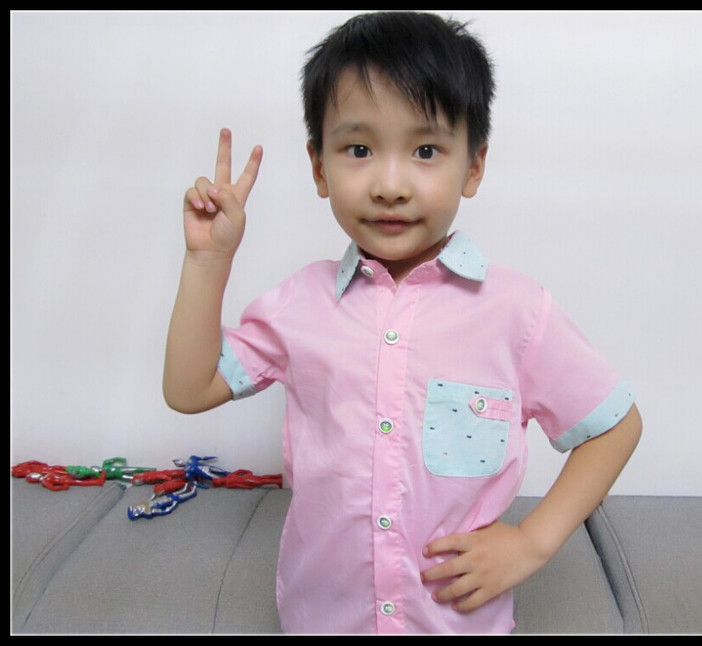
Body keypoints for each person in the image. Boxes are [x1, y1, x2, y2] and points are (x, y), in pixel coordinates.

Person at [163, 11, 642, 634]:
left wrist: (530, 544)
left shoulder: (517, 312)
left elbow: (615, 426)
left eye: (426, 151)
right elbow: (189, 390)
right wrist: (207, 261)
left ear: (474, 166)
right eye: (359, 150)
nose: (390, 185)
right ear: (319, 167)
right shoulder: (299, 304)